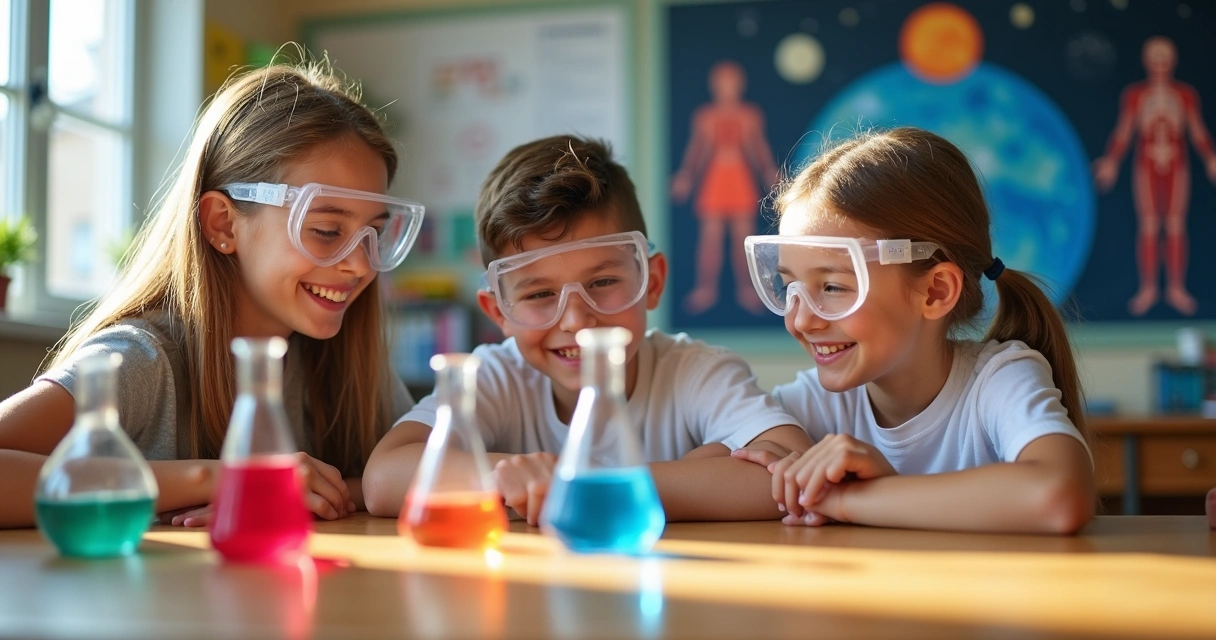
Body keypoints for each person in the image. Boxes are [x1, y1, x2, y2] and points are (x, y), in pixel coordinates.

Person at [0, 61, 420, 529]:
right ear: (223, 223)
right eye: (325, 230)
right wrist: (216, 478)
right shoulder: (142, 361)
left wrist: (318, 490)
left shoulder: (351, 367)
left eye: (374, 235)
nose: (360, 264)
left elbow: (435, 470)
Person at [364, 135, 810, 524]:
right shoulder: (494, 377)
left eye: (603, 283)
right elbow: (385, 478)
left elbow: (789, 467)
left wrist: (570, 483)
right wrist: (686, 476)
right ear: (497, 311)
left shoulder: (695, 372)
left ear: (651, 282)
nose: (577, 322)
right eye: (539, 295)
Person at [732, 127, 1095, 534]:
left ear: (936, 291)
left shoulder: (997, 381)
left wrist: (853, 498)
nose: (801, 320)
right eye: (788, 286)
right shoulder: (811, 404)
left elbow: (1059, 496)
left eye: (833, 287)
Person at [1093, 36, 1216, 317]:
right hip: (1146, 165)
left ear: (1172, 61)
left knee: (1175, 224)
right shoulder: (1136, 95)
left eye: (1165, 57)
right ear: (1147, 61)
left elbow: (1197, 131)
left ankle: (1175, 288)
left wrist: (1210, 158)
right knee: (1149, 224)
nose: (1160, 63)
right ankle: (1148, 288)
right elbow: (1125, 131)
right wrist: (1111, 161)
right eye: (1155, 57)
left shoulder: (1185, 95)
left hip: (1176, 165)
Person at [670, 60, 779, 315]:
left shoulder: (750, 114)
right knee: (711, 239)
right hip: (716, 178)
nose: (727, 87)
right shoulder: (705, 116)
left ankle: (749, 289)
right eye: (722, 81)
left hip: (739, 178)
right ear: (714, 85)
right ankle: (706, 289)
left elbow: (757, 148)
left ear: (740, 85)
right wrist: (686, 175)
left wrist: (769, 171)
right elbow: (697, 149)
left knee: (745, 239)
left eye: (732, 81)